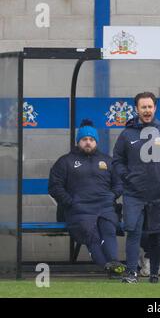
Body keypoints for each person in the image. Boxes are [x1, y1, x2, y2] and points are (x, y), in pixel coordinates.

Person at [48, 119, 126, 278]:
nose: (88, 143)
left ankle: (113, 263)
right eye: (84, 140)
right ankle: (109, 267)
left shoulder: (107, 161)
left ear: (96, 142)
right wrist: (71, 202)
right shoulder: (65, 161)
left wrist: (112, 196)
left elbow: (119, 184)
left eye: (91, 140)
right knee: (92, 235)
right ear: (78, 142)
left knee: (108, 230)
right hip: (79, 210)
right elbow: (55, 187)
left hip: (105, 207)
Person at [113, 91, 160, 283]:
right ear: (136, 109)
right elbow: (117, 161)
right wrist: (128, 178)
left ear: (155, 108)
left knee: (157, 234)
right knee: (133, 232)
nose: (147, 110)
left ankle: (154, 273)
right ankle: (132, 272)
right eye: (143, 107)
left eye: (150, 106)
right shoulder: (127, 134)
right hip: (134, 193)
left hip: (158, 193)